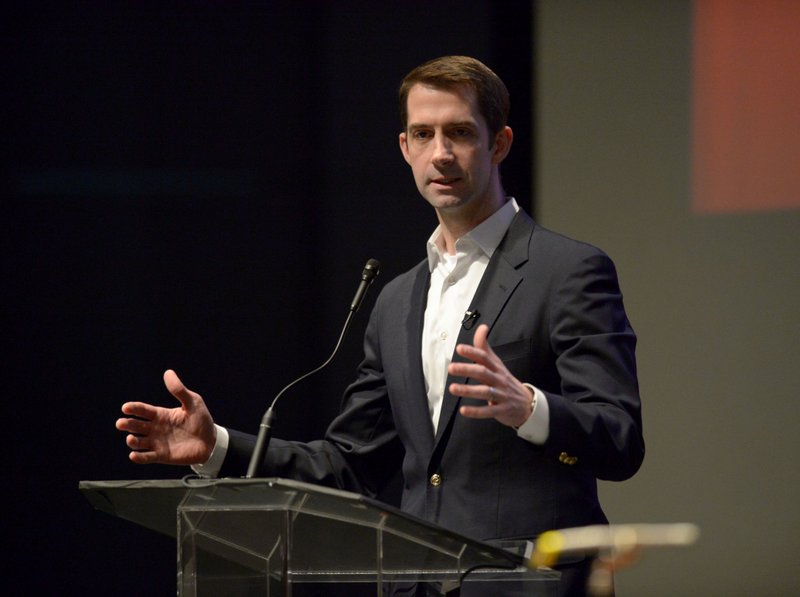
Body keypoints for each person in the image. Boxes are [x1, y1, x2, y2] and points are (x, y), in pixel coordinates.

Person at [116, 56, 644, 596]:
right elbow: (350, 465)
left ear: (499, 143)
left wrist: (529, 407)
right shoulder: (397, 301)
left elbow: (620, 440)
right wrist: (218, 447)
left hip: (530, 584)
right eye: (424, 134)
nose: (441, 153)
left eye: (460, 132)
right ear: (405, 148)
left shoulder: (568, 271)